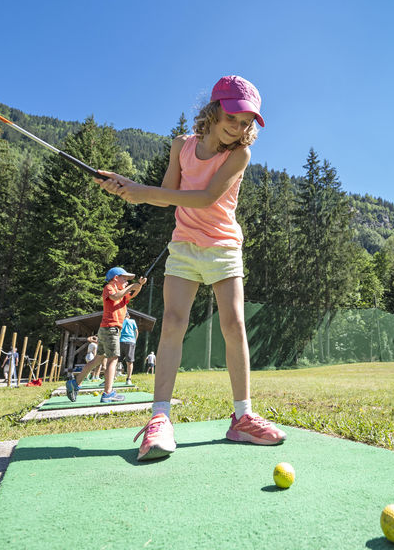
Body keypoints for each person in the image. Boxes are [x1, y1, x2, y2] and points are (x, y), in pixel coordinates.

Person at [97, 75, 286, 460]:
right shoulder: (182, 145)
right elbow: (168, 196)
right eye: (233, 117)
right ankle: (160, 419)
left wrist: (143, 191)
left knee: (234, 325)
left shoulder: (239, 155)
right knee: (174, 325)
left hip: (223, 248)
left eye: (247, 122)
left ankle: (242, 417)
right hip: (183, 247)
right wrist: (126, 188)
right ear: (214, 111)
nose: (239, 127)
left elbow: (204, 197)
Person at [66, 268, 146, 402]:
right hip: (111, 329)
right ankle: (108, 393)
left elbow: (132, 294)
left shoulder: (122, 293)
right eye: (124, 279)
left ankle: (75, 383)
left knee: (97, 359)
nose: (126, 282)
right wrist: (132, 285)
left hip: (107, 330)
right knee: (112, 359)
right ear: (115, 278)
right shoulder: (109, 288)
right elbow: (115, 296)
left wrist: (139, 285)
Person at [120, 316, 139, 385]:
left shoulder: (120, 320)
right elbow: (136, 331)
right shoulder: (132, 321)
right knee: (130, 362)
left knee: (114, 361)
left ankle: (110, 379)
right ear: (128, 316)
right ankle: (128, 379)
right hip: (130, 342)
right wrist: (134, 341)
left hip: (120, 342)